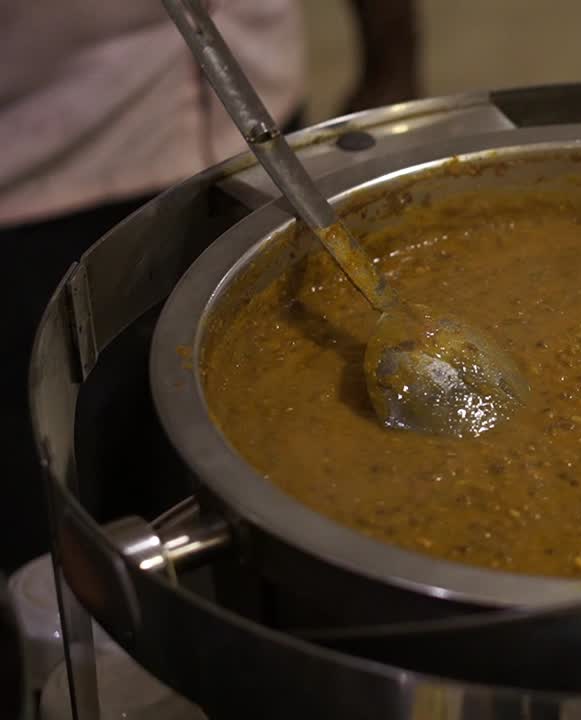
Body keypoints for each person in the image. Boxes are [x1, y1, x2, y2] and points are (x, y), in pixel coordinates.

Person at [0, 0, 421, 573]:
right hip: (41, 178)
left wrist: (391, 63)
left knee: (263, 455)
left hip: (263, 120)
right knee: (49, 504)